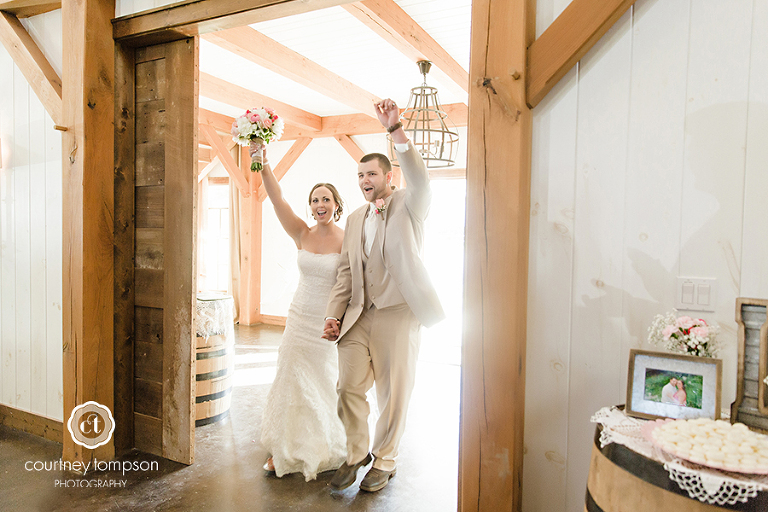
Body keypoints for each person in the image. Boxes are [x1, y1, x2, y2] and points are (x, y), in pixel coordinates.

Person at [322, 98, 445, 493]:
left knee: (393, 394)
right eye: (359, 175)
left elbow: (421, 179)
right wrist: (333, 314)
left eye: (370, 173)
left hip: (399, 312)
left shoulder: (411, 204)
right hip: (359, 315)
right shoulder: (355, 218)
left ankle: (385, 460)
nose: (363, 181)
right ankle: (356, 453)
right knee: (347, 387)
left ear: (388, 176)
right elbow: (345, 274)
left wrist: (394, 130)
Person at [254, 142, 347, 481]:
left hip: (327, 323)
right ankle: (283, 446)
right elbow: (277, 198)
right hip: (298, 317)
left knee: (322, 382)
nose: (319, 204)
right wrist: (262, 162)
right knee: (291, 378)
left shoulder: (347, 238)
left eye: (326, 198)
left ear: (336, 205)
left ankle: (323, 443)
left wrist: (341, 320)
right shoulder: (301, 233)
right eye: (314, 199)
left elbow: (353, 283)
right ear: (310, 207)